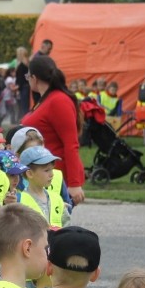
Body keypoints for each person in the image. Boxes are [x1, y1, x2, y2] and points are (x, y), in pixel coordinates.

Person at [20, 55, 85, 205]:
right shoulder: (45, 100)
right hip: (39, 174)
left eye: (27, 76)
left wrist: (74, 184)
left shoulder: (58, 101)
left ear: (34, 78)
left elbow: (71, 143)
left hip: (54, 176)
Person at [18, 146, 69, 228]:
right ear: (30, 174)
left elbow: (66, 226)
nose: (52, 174)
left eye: (52, 169)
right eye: (46, 170)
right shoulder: (20, 201)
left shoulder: (57, 198)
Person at [15, 47, 31, 118]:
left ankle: (25, 120)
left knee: (24, 106)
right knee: (26, 105)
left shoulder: (21, 65)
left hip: (23, 87)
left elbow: (20, 78)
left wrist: (18, 88)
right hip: (27, 86)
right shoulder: (27, 64)